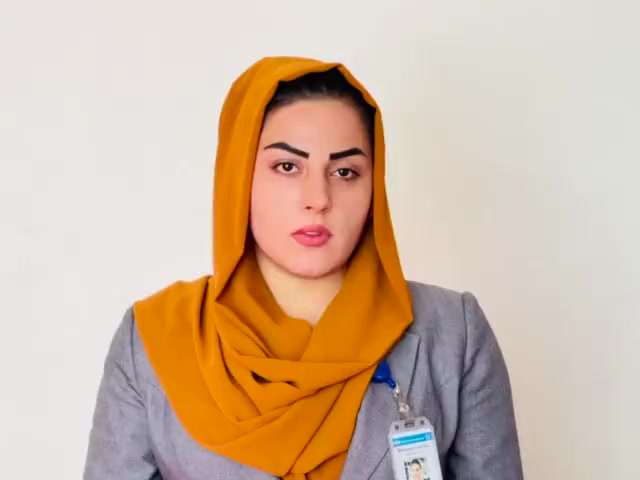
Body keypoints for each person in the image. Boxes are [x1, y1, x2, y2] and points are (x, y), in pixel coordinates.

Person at [84, 56, 523, 479]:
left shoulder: (453, 333)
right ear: (239, 178)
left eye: (345, 171)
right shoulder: (154, 338)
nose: (318, 198)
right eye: (287, 166)